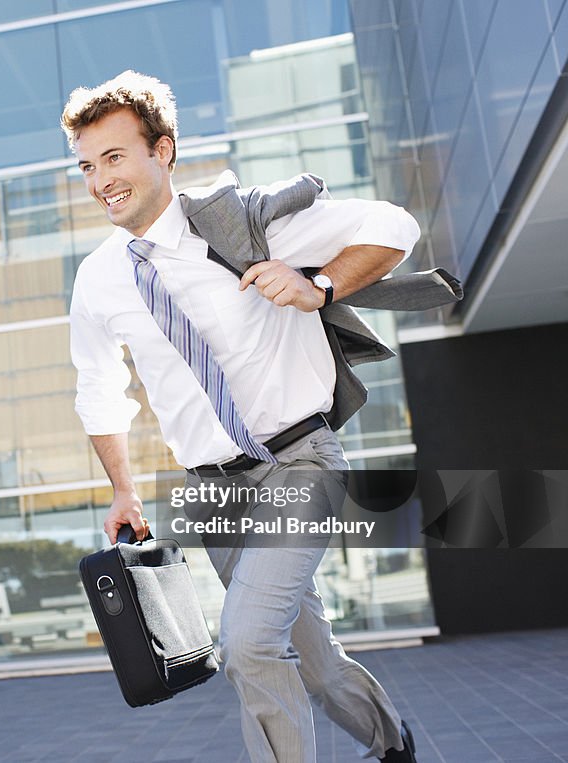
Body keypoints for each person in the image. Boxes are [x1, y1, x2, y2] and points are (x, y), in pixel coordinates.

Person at [60, 70, 454, 762]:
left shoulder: (243, 219)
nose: (100, 181)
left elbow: (396, 227)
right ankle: (395, 744)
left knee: (246, 644)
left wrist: (318, 284)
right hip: (214, 491)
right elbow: (98, 386)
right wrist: (123, 489)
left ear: (164, 151)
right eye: (87, 166)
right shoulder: (98, 277)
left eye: (115, 157)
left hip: (298, 462)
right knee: (316, 661)